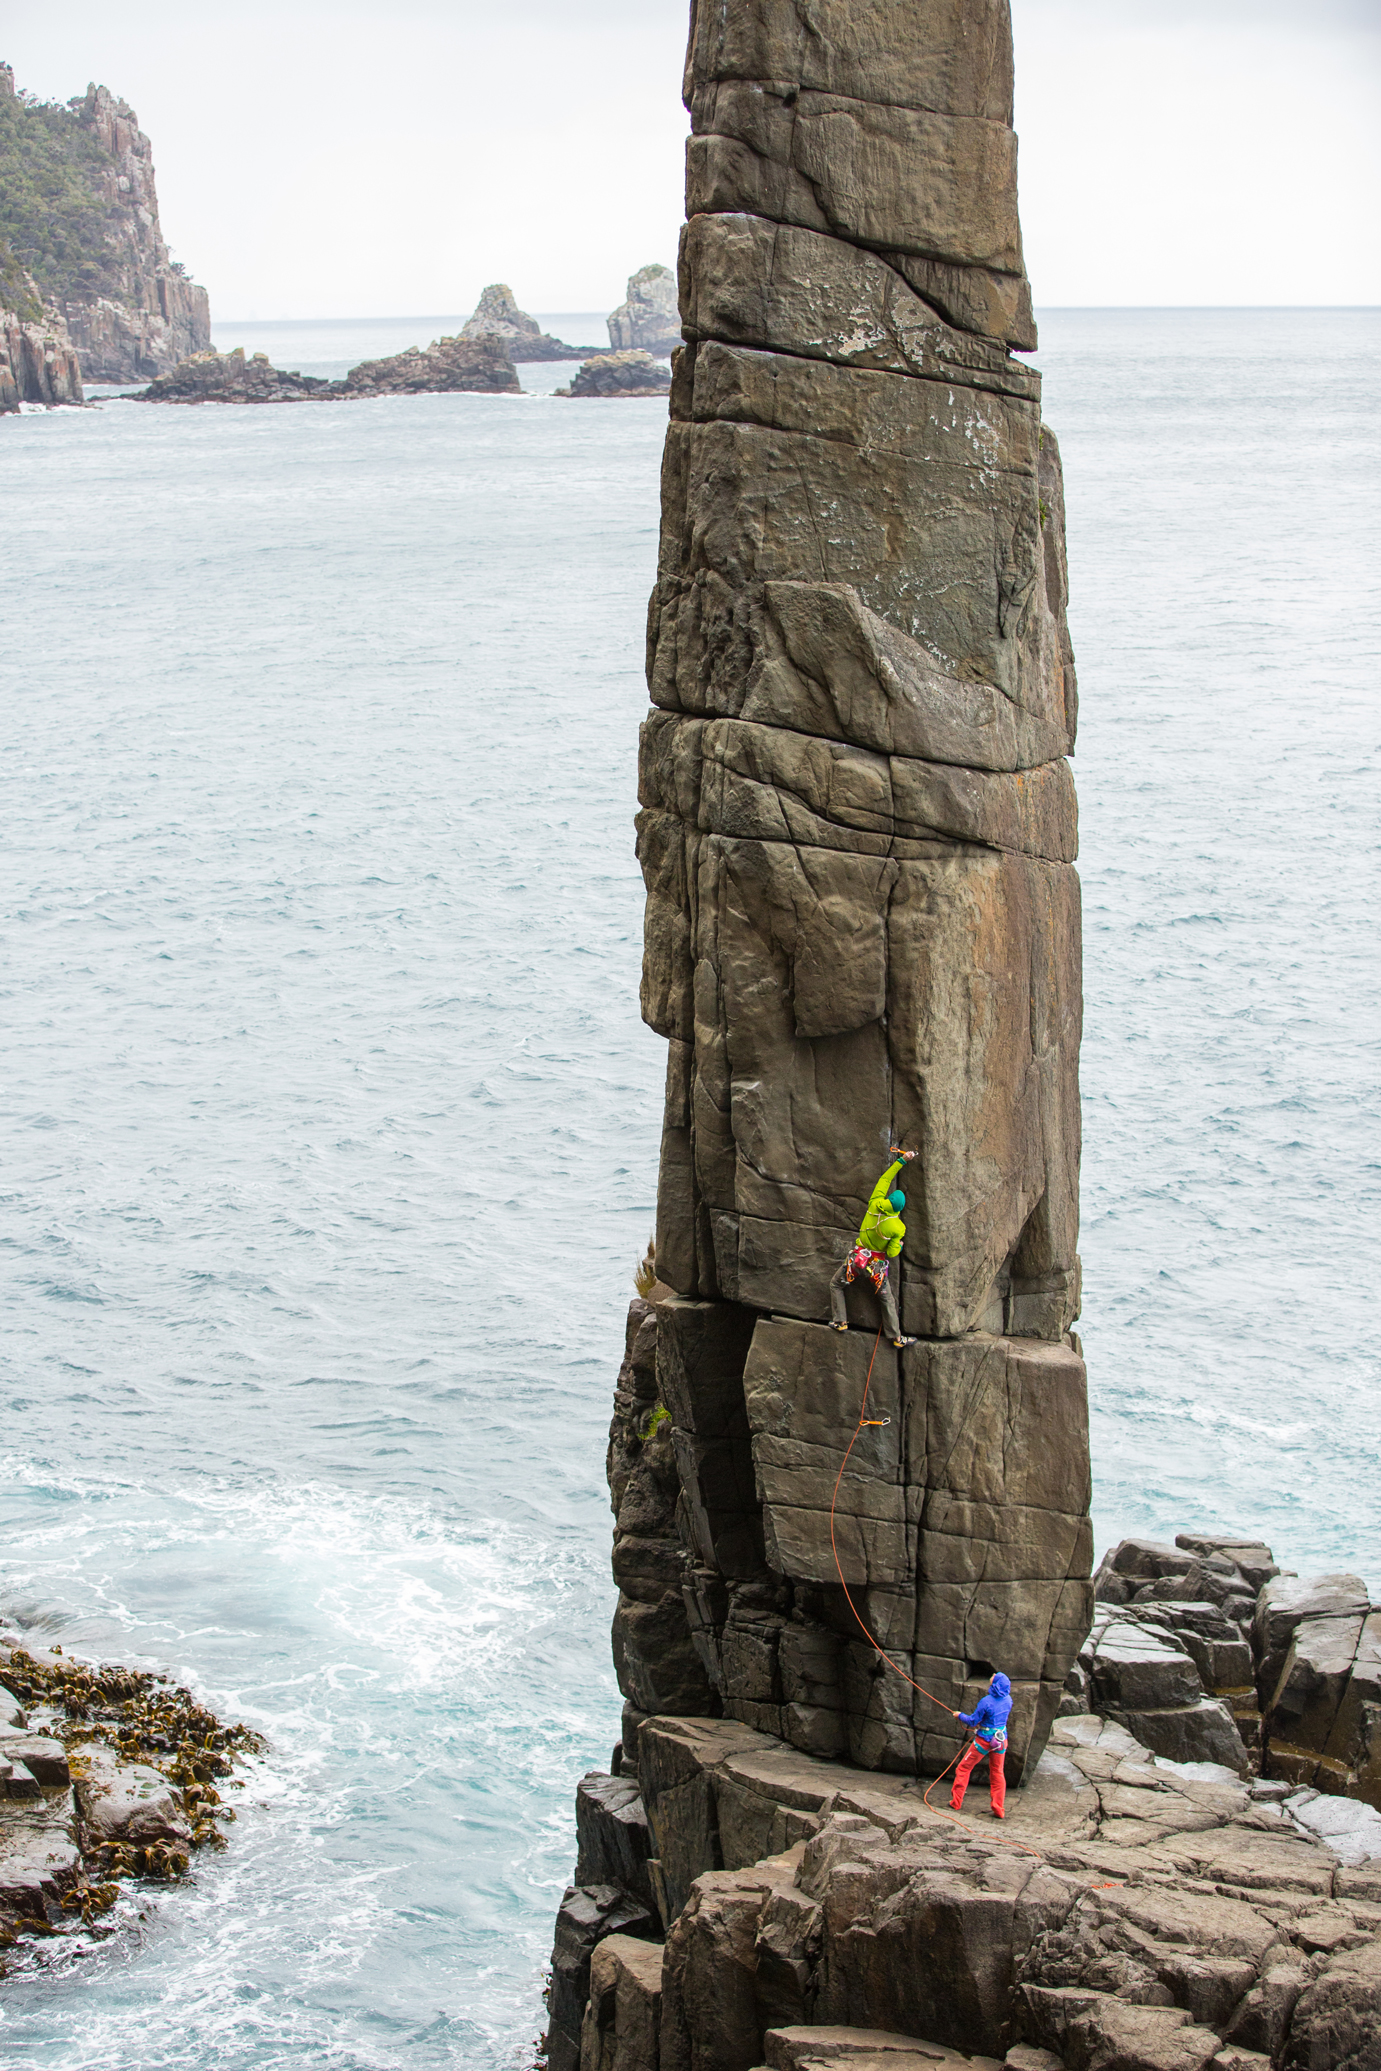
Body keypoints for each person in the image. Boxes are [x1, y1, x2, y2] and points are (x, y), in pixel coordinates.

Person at [829, 1146, 917, 1348]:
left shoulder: (875, 1203)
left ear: (888, 1200)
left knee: (836, 1285)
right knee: (886, 1299)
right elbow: (892, 1252)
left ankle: (840, 1321)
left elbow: (885, 1179)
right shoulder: (898, 1227)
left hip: (857, 1259)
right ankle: (896, 1338)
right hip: (876, 1266)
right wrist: (899, 1245)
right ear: (900, 1209)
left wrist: (902, 1160)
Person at [950, 1672, 1013, 1818]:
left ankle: (956, 1802)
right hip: (1000, 1740)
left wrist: (959, 1715)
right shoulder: (1008, 1700)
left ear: (995, 1685)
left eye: (995, 1676)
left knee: (964, 1768)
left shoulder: (986, 1701)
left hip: (984, 1741)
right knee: (997, 1772)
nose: (993, 1674)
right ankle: (998, 1808)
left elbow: (972, 1721)